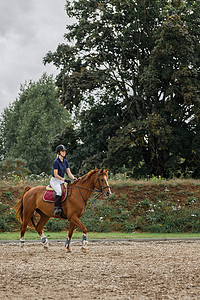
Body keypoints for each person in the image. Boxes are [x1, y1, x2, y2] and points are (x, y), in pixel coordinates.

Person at [50, 144, 77, 216]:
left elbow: (69, 173)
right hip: (55, 180)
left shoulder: (66, 162)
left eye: (65, 151)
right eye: (62, 151)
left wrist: (74, 178)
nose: (64, 152)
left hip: (61, 180)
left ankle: (65, 208)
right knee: (59, 192)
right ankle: (56, 209)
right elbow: (55, 174)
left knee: (68, 191)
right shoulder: (56, 162)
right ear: (59, 152)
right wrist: (64, 179)